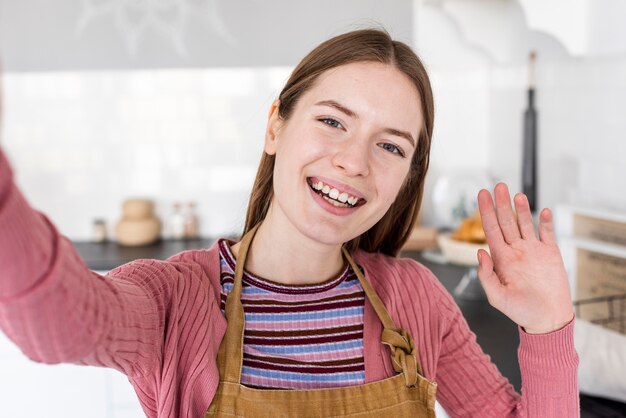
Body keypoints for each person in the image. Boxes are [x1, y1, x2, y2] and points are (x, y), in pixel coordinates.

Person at [0, 28, 578, 417]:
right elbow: (56, 324)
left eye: (391, 146)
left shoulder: (414, 300)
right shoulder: (176, 300)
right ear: (275, 125)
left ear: (408, 176)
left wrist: (550, 323)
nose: (354, 161)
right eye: (332, 121)